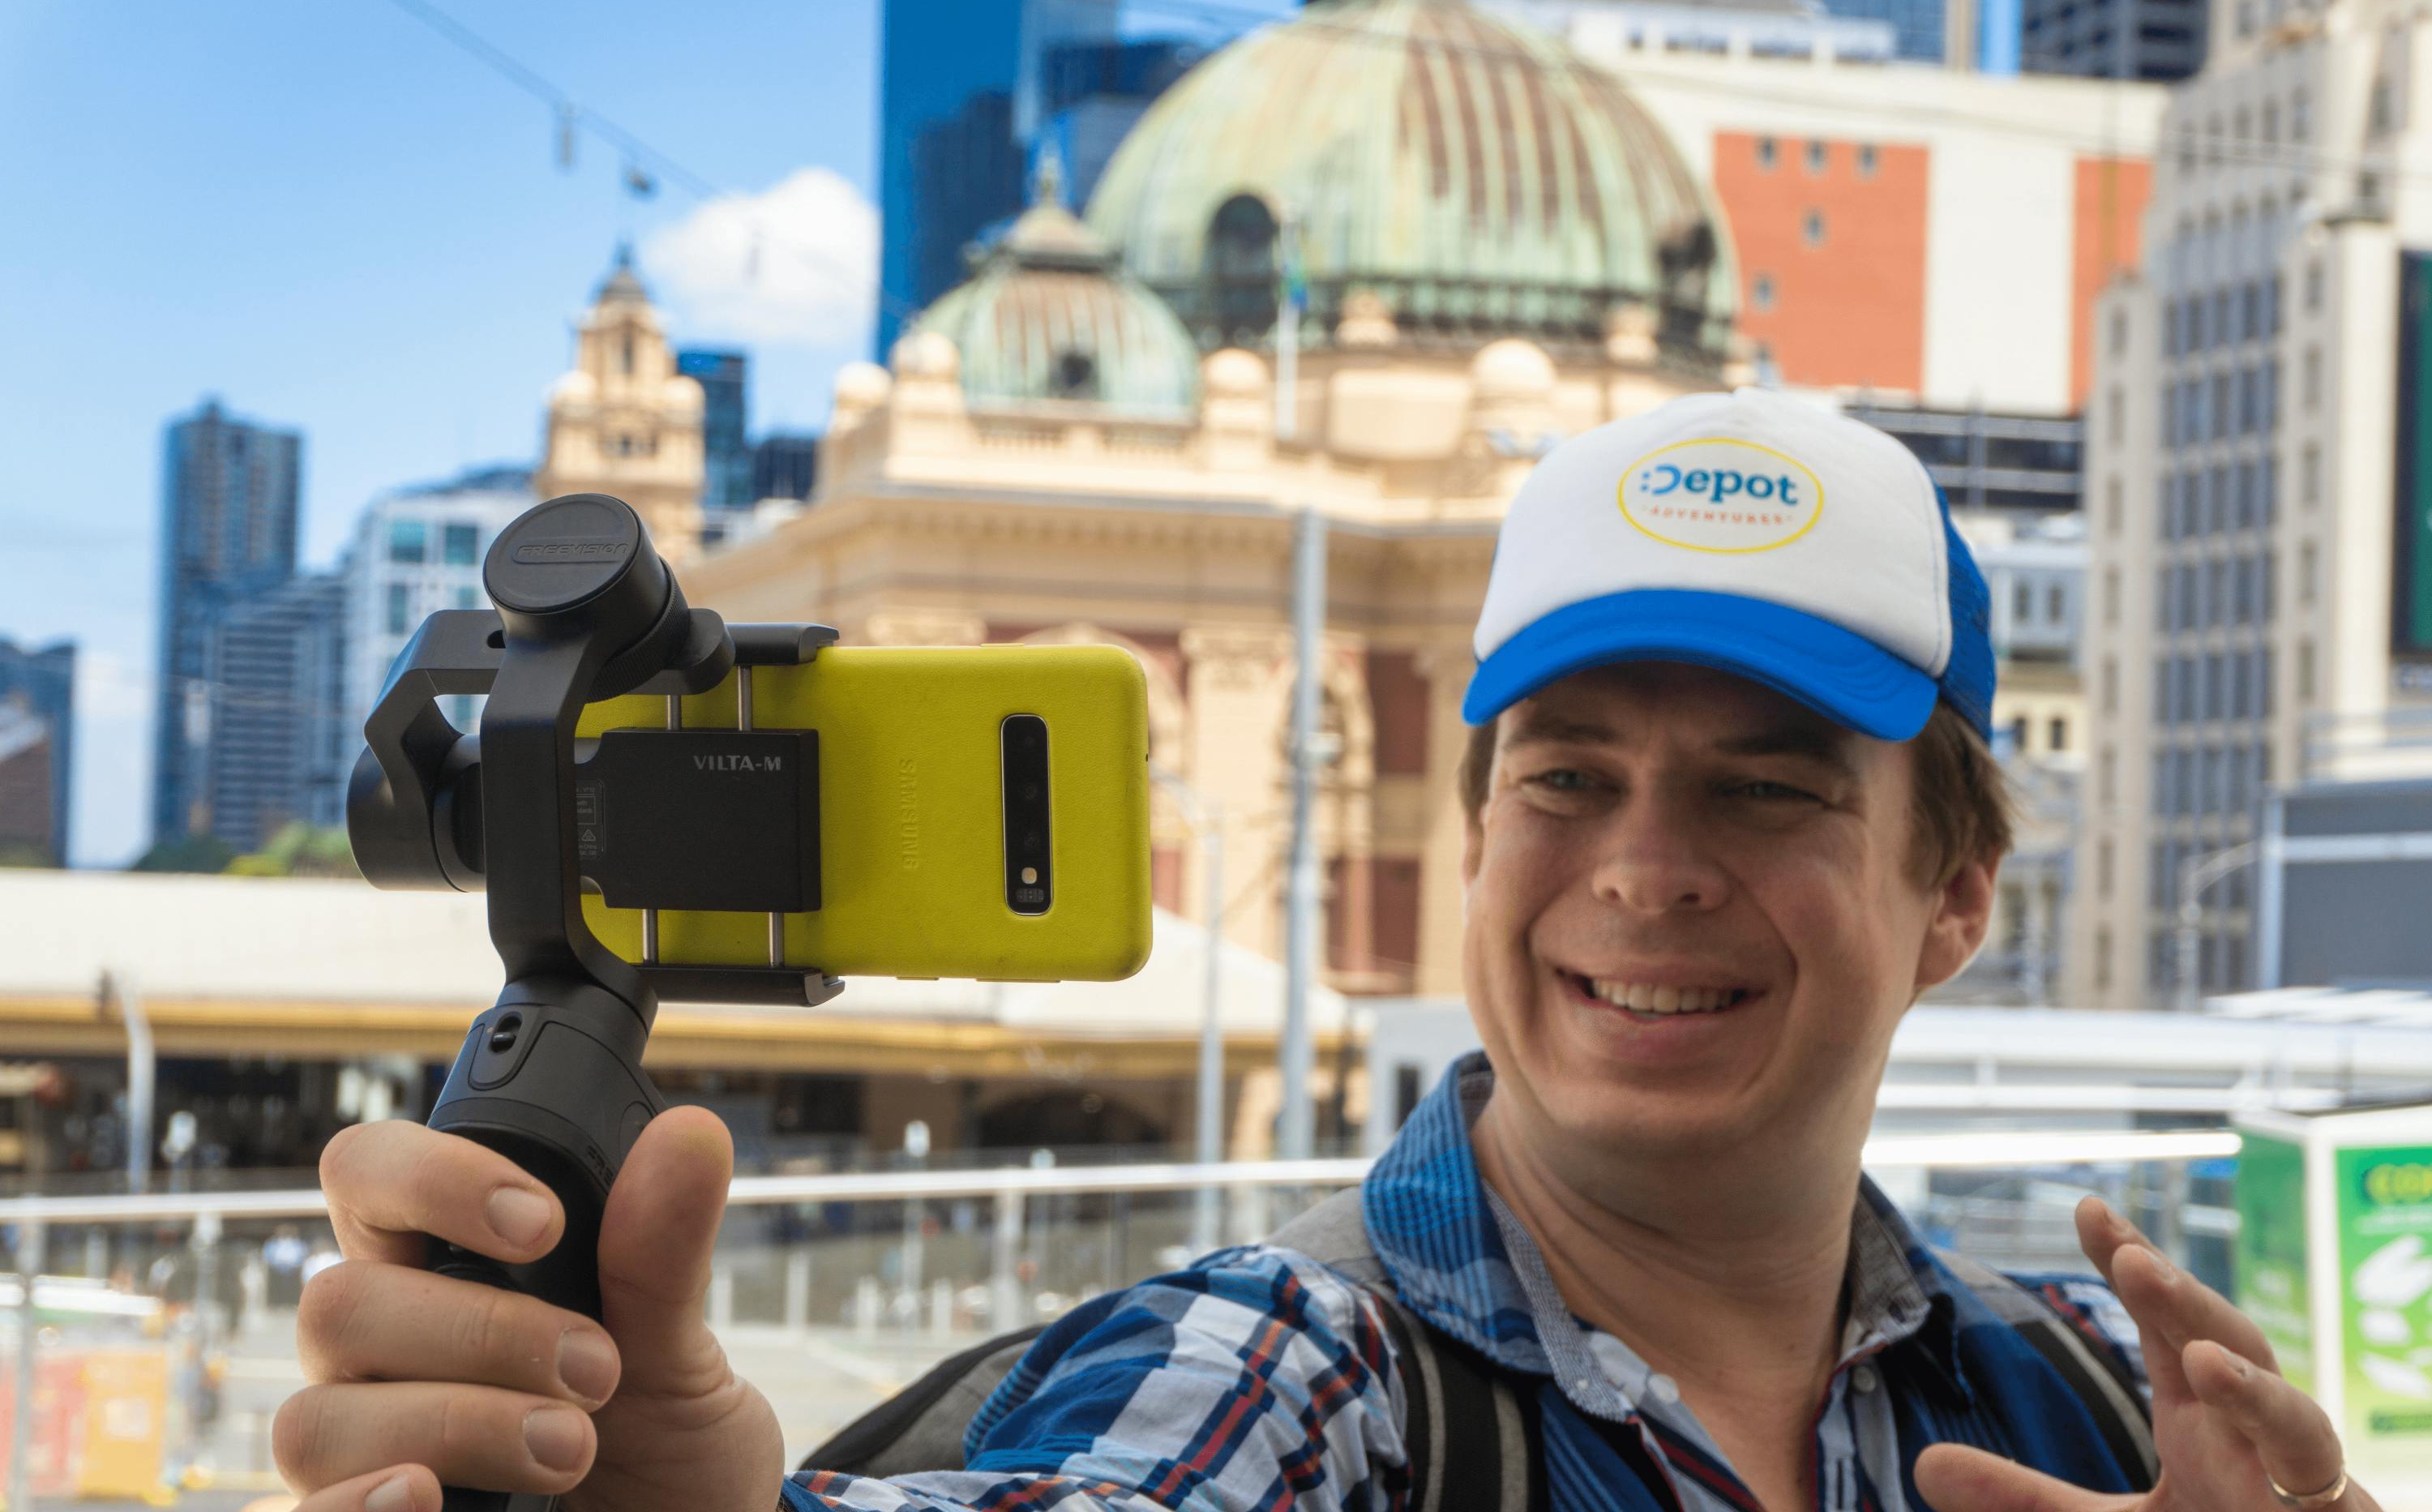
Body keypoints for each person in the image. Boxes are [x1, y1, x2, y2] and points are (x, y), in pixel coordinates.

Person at [272, 390, 2376, 1512]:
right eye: (1565, 777)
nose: (1642, 871)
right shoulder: (1305, 1373)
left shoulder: (2092, 1394)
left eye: (1769, 787)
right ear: (1475, 841)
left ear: (1955, 894)